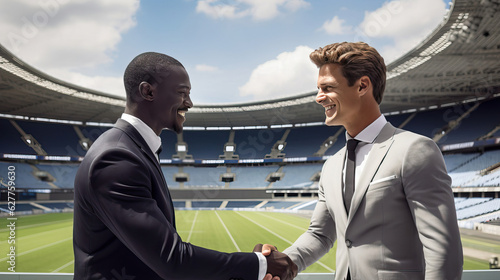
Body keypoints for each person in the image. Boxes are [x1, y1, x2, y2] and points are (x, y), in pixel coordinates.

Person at [72, 52, 297, 280]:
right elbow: (172, 260)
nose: (189, 103)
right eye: (182, 93)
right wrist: (259, 265)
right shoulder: (117, 158)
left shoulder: (134, 149)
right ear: (148, 91)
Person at [261, 42, 463, 279]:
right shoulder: (331, 165)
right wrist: (279, 264)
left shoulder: (414, 149)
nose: (318, 98)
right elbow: (320, 235)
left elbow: (442, 247)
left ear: (362, 86)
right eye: (318, 88)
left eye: (327, 87)